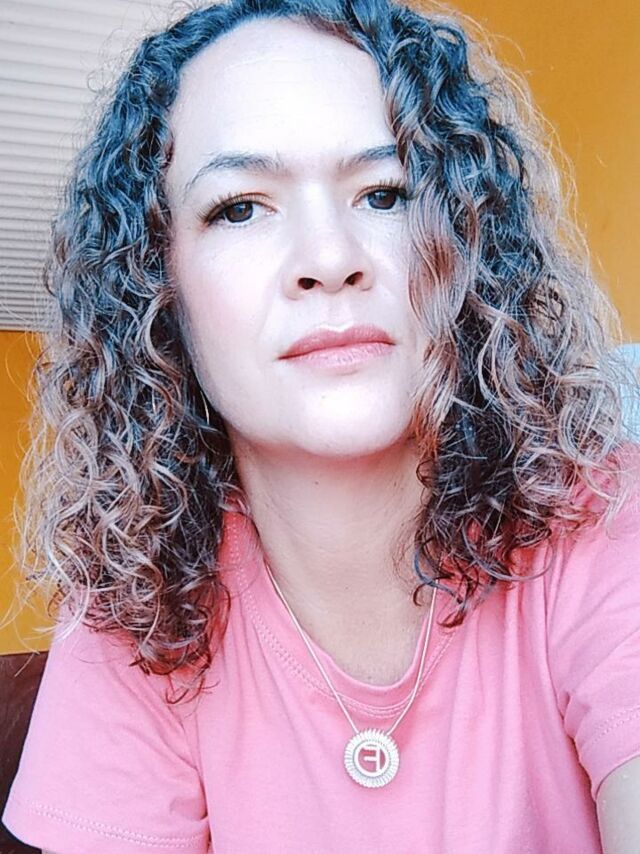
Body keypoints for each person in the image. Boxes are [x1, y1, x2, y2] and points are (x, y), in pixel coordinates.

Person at [3, 0, 640, 851]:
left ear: (470, 245)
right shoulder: (137, 611)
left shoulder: (607, 520)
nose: (329, 258)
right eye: (239, 207)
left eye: (385, 193)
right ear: (158, 289)